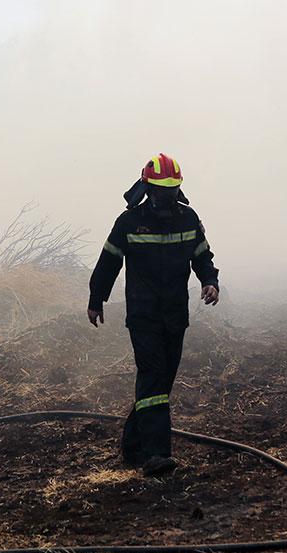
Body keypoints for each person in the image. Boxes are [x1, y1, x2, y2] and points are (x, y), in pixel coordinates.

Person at [88, 154, 220, 477]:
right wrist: (96, 298)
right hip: (143, 315)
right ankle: (156, 454)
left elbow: (202, 256)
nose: (166, 195)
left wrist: (210, 281)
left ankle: (132, 445)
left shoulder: (188, 220)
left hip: (176, 314)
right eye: (161, 189)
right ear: (148, 188)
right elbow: (108, 263)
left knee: (161, 380)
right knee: (153, 374)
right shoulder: (129, 222)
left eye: (172, 188)